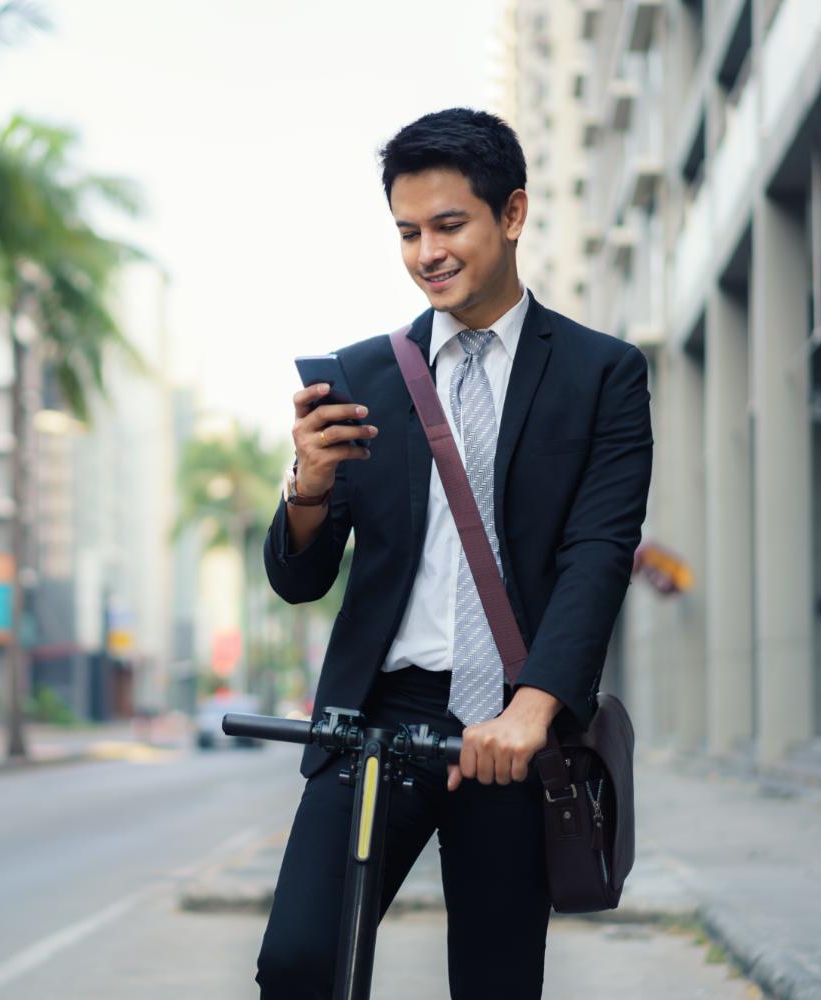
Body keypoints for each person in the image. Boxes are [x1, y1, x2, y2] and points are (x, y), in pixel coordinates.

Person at [256, 108, 653, 998]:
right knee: (298, 965)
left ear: (511, 215)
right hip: (378, 718)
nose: (426, 251)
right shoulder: (365, 376)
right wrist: (308, 488)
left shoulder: (603, 373)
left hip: (515, 725)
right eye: (407, 232)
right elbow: (300, 578)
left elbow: (599, 550)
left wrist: (534, 708)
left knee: (495, 983)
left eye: (448, 225)